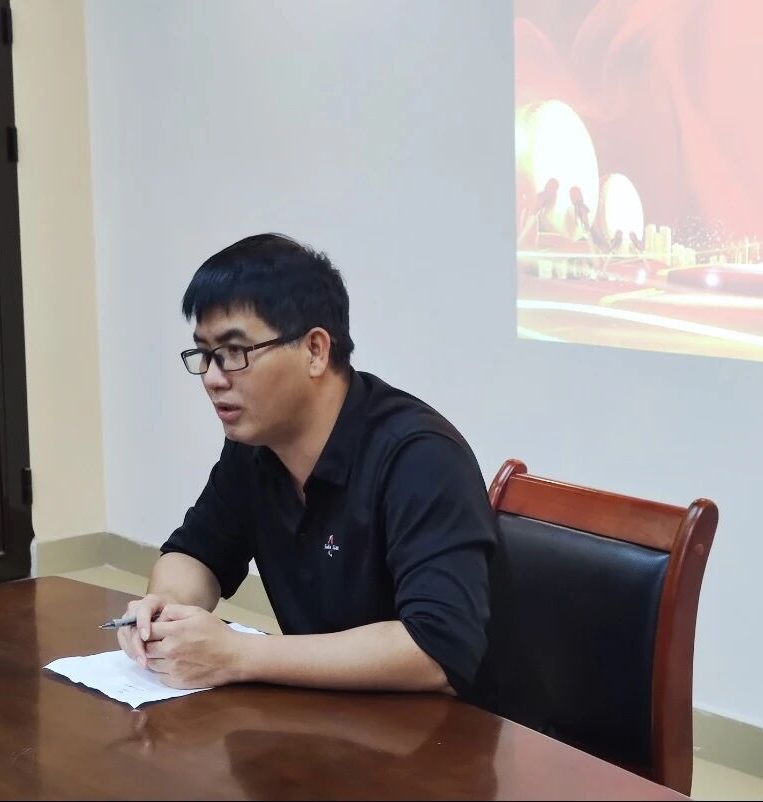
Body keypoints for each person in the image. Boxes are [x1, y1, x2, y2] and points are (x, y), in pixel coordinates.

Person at [116, 233, 497, 701]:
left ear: (315, 350)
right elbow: (197, 554)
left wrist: (238, 654)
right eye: (206, 355)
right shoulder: (254, 447)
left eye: (234, 353)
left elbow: (435, 648)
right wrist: (166, 610)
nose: (213, 378)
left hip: (433, 729)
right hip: (322, 712)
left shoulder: (420, 457)